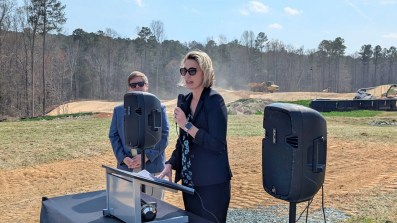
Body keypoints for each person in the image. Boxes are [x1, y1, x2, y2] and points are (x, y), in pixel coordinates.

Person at [158, 50, 232, 223]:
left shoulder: (215, 101)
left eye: (193, 71)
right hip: (190, 184)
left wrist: (187, 125)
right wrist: (171, 163)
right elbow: (183, 141)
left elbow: (217, 144)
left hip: (212, 186)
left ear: (204, 72)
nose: (187, 75)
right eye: (184, 71)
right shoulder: (185, 100)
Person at [109, 71, 169, 200]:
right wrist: (123, 158)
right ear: (129, 88)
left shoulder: (159, 107)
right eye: (133, 85)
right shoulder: (119, 110)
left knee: (153, 210)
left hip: (153, 168)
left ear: (147, 86)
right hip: (126, 168)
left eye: (140, 84)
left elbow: (164, 135)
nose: (137, 87)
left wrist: (147, 156)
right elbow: (113, 136)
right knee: (127, 209)